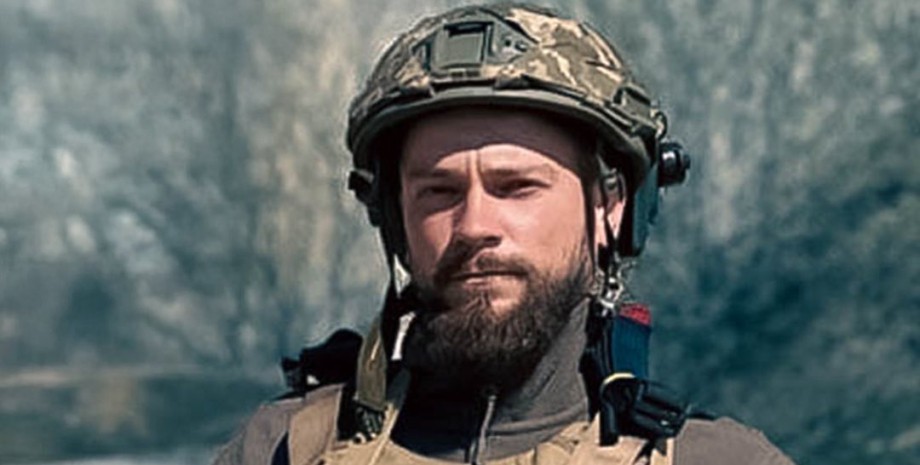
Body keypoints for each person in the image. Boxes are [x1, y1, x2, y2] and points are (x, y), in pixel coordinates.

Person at [213, 4, 795, 465]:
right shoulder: (284, 449)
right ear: (394, 218)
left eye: (516, 187)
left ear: (610, 206)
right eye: (439, 192)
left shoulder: (718, 460)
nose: (474, 226)